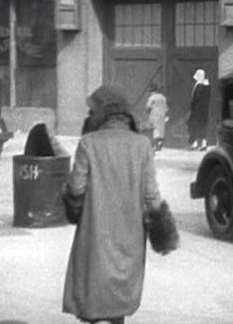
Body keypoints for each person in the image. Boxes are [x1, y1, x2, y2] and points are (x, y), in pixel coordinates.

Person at [62, 84, 163, 324]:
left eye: (92, 111)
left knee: (93, 292)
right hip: (130, 233)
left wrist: (72, 208)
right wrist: (162, 231)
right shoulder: (142, 145)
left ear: (101, 113)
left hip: (95, 230)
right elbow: (151, 195)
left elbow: (76, 188)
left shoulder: (89, 143)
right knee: (120, 292)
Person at [186, 69, 211, 151]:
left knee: (194, 126)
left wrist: (192, 106)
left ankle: (194, 144)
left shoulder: (199, 85)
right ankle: (204, 144)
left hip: (197, 109)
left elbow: (195, 98)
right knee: (202, 126)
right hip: (204, 110)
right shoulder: (207, 85)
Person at [146, 83, 168, 151]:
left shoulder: (151, 98)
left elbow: (148, 107)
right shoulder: (163, 97)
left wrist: (147, 113)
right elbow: (166, 107)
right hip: (162, 114)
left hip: (154, 115)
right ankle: (160, 143)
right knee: (161, 129)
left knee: (154, 129)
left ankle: (156, 145)